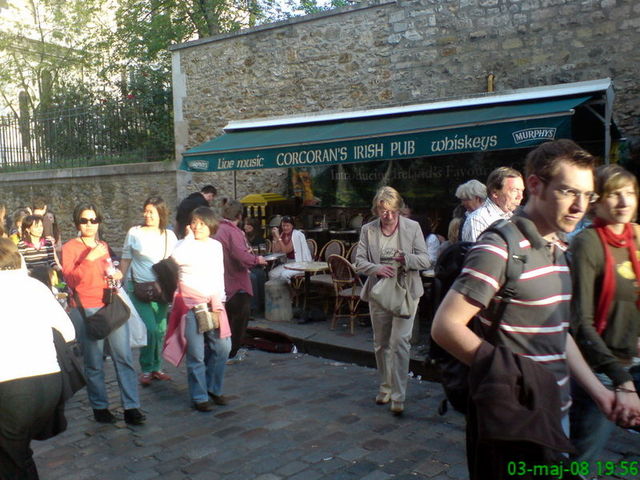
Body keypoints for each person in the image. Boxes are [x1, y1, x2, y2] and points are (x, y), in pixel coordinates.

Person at [431, 139, 623, 479]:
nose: (580, 206)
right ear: (534, 185)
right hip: (515, 420)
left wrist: (599, 392)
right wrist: (514, 376)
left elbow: (558, 333)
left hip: (555, 414)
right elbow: (446, 327)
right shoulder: (499, 247)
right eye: (568, 192)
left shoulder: (559, 248)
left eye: (587, 195)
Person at [569, 164, 640, 465]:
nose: (624, 202)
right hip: (600, 367)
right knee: (580, 462)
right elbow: (580, 323)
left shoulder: (636, 237)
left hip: (634, 361)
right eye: (614, 194)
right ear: (596, 202)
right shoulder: (587, 243)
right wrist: (621, 381)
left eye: (630, 193)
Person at [62, 202, 146, 425]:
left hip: (110, 305)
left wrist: (115, 274)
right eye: (84, 220)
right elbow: (71, 279)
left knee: (124, 357)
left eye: (93, 220)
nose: (89, 224)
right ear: (77, 223)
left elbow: (106, 272)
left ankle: (131, 407)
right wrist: (89, 258)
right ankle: (100, 407)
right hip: (87, 308)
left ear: (99, 221)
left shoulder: (103, 245)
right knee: (94, 361)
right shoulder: (71, 247)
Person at [0, 238, 76, 480]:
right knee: (17, 453)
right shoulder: (35, 286)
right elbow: (69, 332)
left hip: (12, 385)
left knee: (12, 459)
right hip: (48, 382)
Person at [355, 186, 430, 415]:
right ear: (376, 210)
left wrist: (406, 259)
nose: (388, 216)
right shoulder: (368, 230)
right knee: (381, 343)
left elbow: (425, 260)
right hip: (379, 292)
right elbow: (359, 262)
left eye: (392, 211)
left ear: (399, 209)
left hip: (406, 292)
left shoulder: (412, 227)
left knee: (400, 343)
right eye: (383, 211)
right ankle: (385, 387)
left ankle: (399, 395)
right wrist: (377, 268)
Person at [164, 206, 232, 412]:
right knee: (196, 354)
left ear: (210, 225)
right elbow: (175, 261)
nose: (198, 227)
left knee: (222, 348)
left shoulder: (215, 246)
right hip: (190, 304)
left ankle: (213, 387)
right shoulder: (182, 245)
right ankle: (200, 396)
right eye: (194, 222)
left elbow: (219, 273)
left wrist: (221, 300)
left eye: (202, 223)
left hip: (213, 303)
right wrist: (188, 239)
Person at [119, 196, 178, 386]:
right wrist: (119, 278)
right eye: (145, 211)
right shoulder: (134, 232)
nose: (147, 215)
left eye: (151, 212)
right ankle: (146, 367)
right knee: (150, 329)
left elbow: (174, 262)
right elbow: (126, 258)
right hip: (139, 288)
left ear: (161, 213)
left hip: (161, 288)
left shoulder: (169, 235)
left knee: (160, 330)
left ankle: (156, 367)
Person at [215, 200, 267, 359]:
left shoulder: (218, 229)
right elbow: (241, 255)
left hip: (221, 281)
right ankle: (231, 353)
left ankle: (223, 351)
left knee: (226, 320)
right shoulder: (233, 232)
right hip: (236, 282)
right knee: (238, 321)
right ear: (239, 215)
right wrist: (257, 260)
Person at [460, 167, 524, 242]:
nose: (520, 196)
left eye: (522, 190)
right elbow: (479, 250)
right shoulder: (477, 220)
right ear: (495, 193)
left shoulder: (517, 216)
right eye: (514, 190)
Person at [268, 216, 313, 281]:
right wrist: (275, 238)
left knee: (284, 275)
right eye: (283, 226)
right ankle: (277, 288)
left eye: (287, 226)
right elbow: (275, 251)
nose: (285, 228)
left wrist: (278, 237)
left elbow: (286, 250)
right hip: (288, 262)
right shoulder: (283, 234)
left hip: (300, 263)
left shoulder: (296, 235)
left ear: (292, 226)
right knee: (272, 274)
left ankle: (288, 288)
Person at [244, 217, 268, 316]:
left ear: (253, 227)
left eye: (248, 225)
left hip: (255, 263)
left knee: (260, 274)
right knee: (253, 277)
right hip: (245, 264)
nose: (246, 227)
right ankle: (253, 307)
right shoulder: (242, 237)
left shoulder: (259, 239)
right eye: (245, 224)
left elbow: (263, 253)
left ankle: (262, 303)